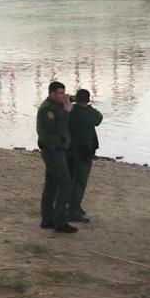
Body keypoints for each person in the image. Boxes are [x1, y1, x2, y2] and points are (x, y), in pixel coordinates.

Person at [37, 81, 76, 233]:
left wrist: (70, 99)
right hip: (53, 150)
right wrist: (66, 111)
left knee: (51, 184)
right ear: (51, 94)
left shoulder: (55, 105)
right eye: (60, 93)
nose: (63, 96)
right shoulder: (47, 109)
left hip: (56, 150)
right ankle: (60, 222)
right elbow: (57, 128)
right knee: (65, 184)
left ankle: (47, 220)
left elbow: (68, 102)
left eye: (64, 93)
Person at [67, 89, 103, 223]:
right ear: (88, 100)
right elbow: (99, 119)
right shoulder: (90, 113)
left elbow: (64, 103)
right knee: (80, 182)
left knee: (69, 179)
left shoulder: (69, 110)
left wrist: (71, 99)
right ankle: (73, 210)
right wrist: (89, 106)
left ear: (76, 99)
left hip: (69, 150)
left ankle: (69, 206)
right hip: (84, 152)